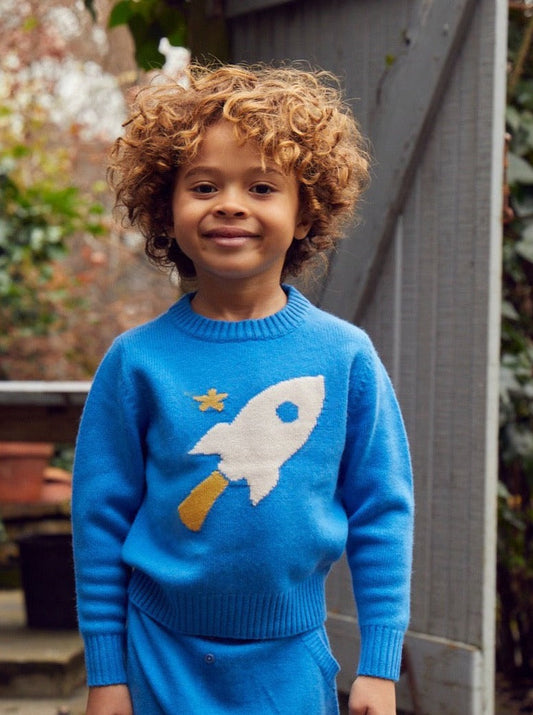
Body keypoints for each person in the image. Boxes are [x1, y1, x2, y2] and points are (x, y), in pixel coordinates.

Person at [72, 63, 414, 715]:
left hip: (289, 663)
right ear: (166, 210)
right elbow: (99, 521)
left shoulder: (345, 358)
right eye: (204, 186)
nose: (230, 203)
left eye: (261, 186)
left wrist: (379, 662)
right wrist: (107, 672)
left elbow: (382, 511)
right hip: (156, 657)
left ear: (304, 211)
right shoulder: (135, 363)